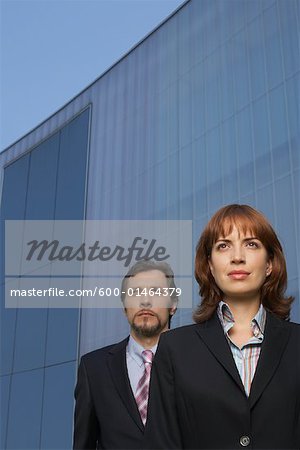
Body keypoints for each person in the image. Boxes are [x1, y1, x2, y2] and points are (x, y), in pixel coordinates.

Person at [144, 204, 300, 450]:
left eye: (251, 244)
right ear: (209, 266)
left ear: (269, 264)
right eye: (223, 246)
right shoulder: (175, 349)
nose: (237, 256)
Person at [73, 260, 178, 449]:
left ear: (173, 304)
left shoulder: (196, 361)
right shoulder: (93, 368)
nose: (145, 301)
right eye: (135, 293)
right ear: (124, 307)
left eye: (155, 292)